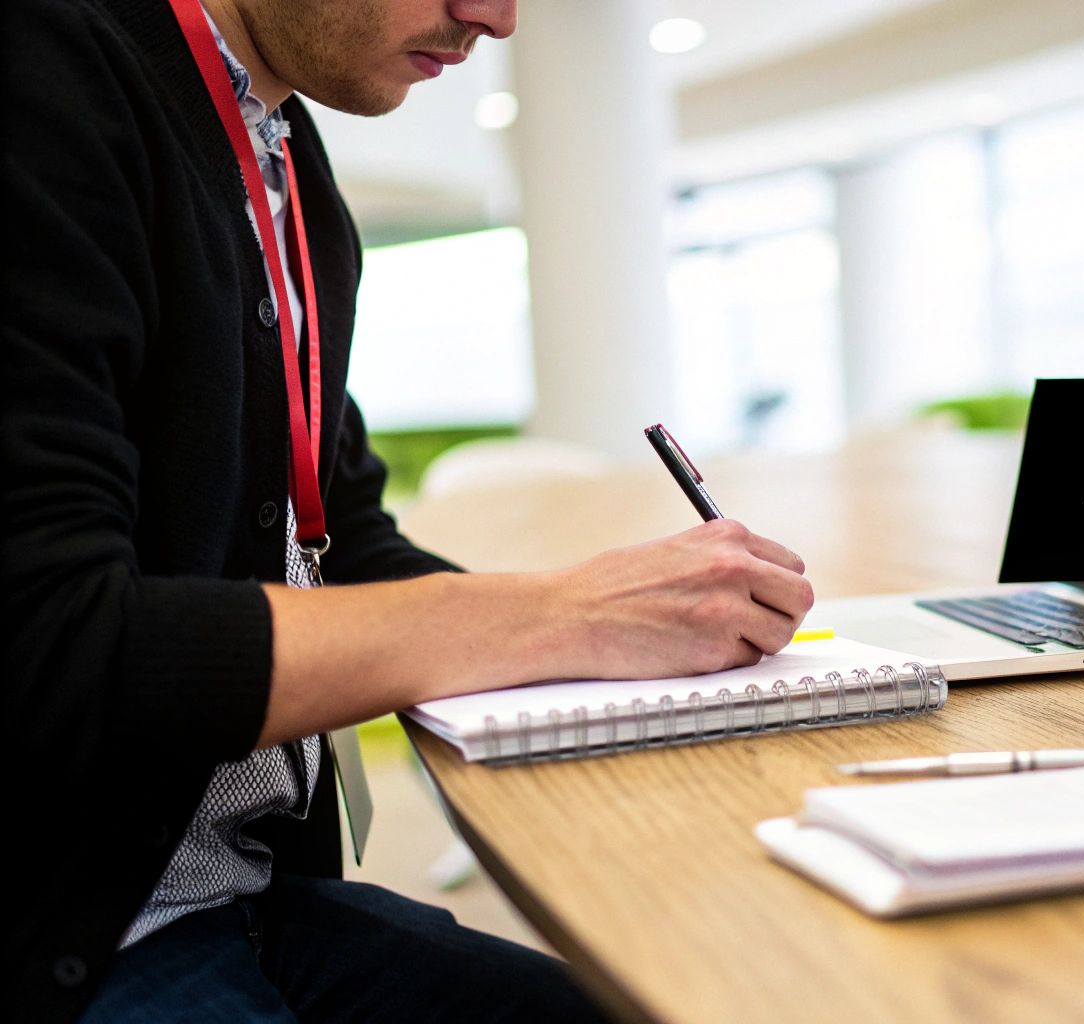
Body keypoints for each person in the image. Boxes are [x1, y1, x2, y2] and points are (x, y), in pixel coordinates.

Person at [0, 0, 815, 1019]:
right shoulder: (42, 71)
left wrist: (635, 642)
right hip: (69, 931)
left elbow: (342, 533)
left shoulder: (285, 153)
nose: (495, 17)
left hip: (235, 893)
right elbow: (55, 648)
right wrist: (564, 614)